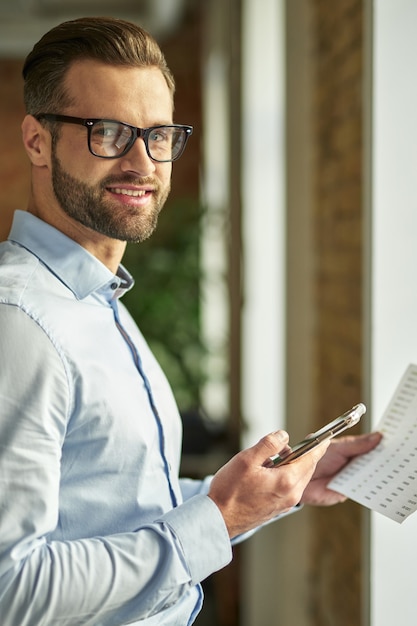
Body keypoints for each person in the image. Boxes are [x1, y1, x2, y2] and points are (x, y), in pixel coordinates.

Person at [0, 16, 381, 626]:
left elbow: (114, 509)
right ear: (37, 140)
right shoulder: (20, 322)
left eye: (158, 135)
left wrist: (274, 492)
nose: (141, 162)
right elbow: (11, 590)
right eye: (107, 132)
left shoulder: (94, 300)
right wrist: (220, 519)